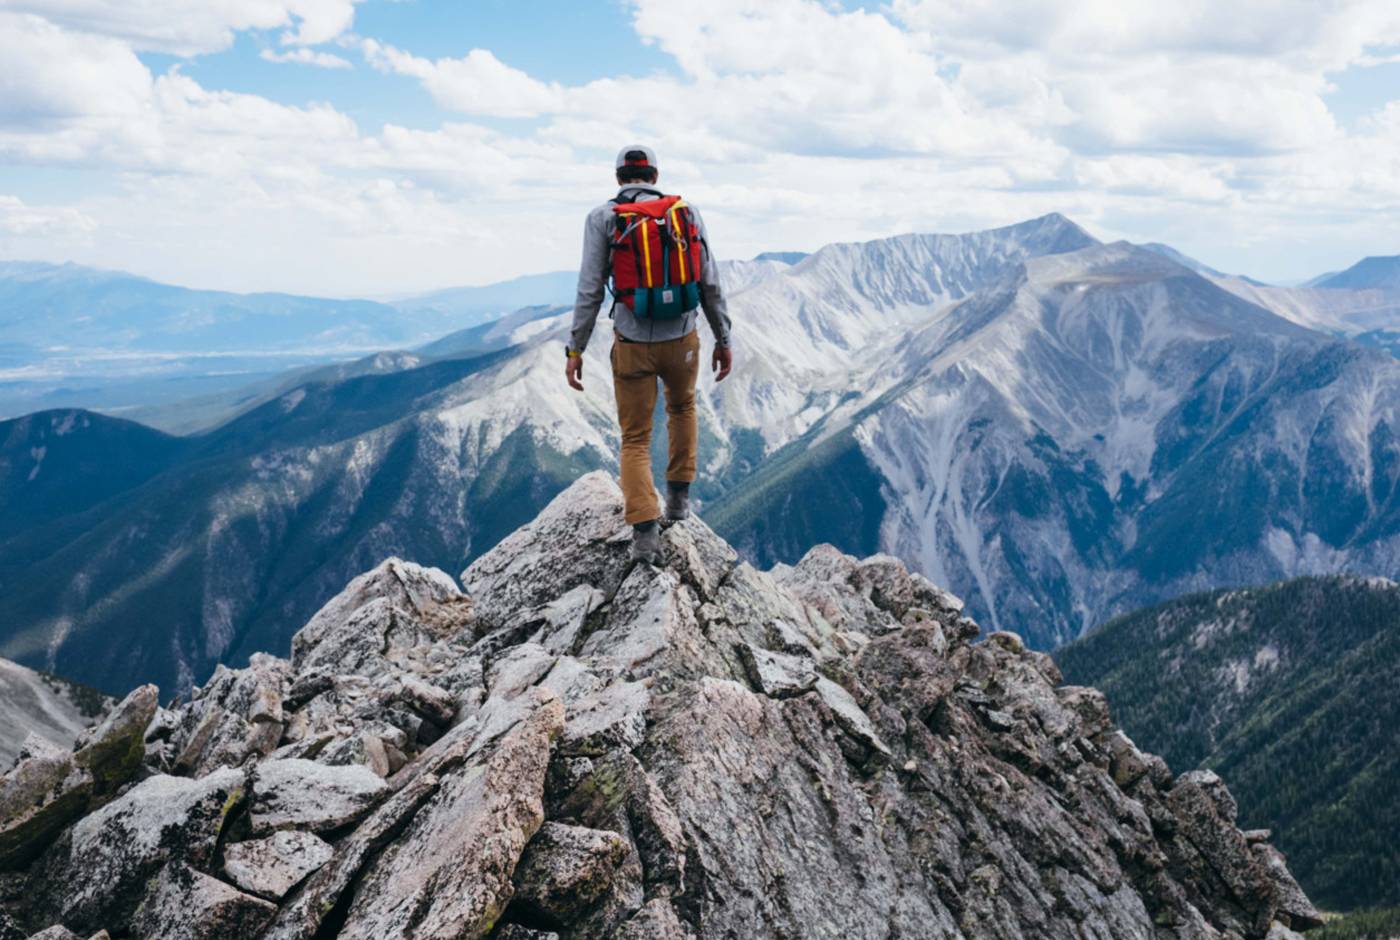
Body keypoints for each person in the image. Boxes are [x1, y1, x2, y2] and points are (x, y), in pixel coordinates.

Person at [565, 144, 733, 564]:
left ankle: (644, 536)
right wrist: (723, 338)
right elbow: (710, 282)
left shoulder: (603, 218)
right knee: (683, 408)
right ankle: (678, 502)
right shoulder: (686, 213)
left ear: (618, 178)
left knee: (636, 438)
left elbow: (589, 290)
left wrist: (576, 348)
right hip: (683, 339)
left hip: (633, 342)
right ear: (655, 176)